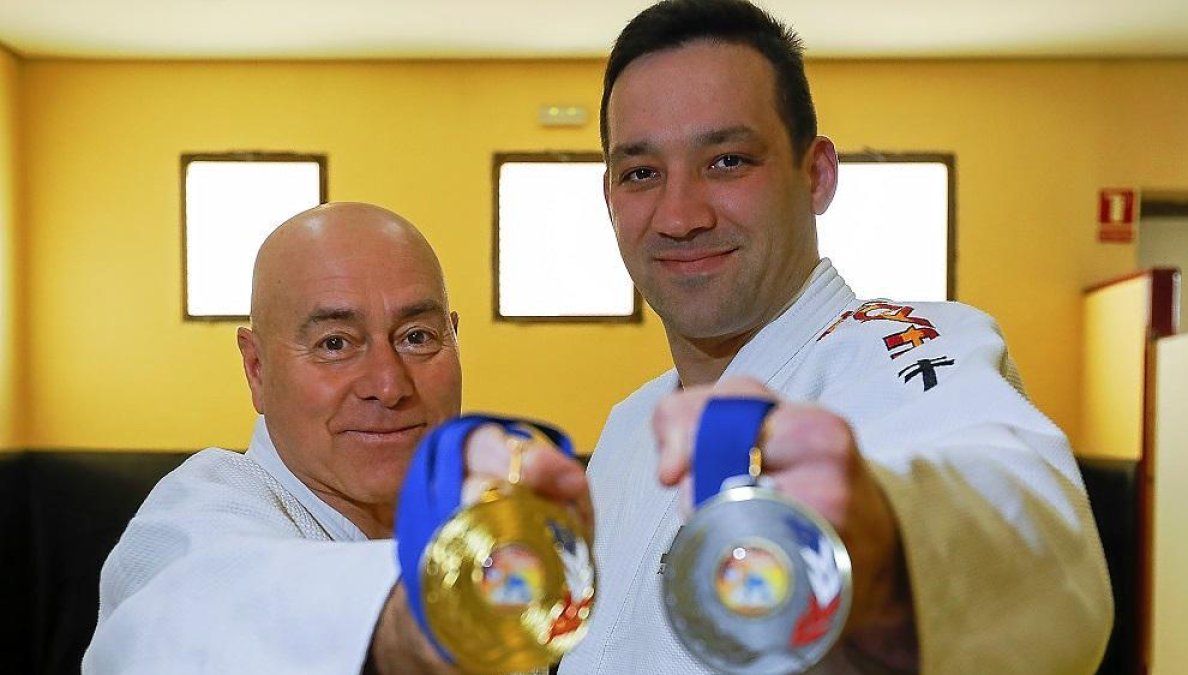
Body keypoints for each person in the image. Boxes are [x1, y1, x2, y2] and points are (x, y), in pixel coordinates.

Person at [560, 1, 1114, 673]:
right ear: (609, 197)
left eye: (728, 160)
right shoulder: (628, 427)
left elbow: (1023, 513)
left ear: (816, 174)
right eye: (641, 172)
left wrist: (881, 550)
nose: (679, 215)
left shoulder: (904, 347)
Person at [83, 202, 589, 674]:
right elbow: (194, 613)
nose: (388, 386)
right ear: (256, 368)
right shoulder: (199, 515)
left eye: (416, 337)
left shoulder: (481, 514)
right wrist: (426, 612)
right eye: (335, 344)